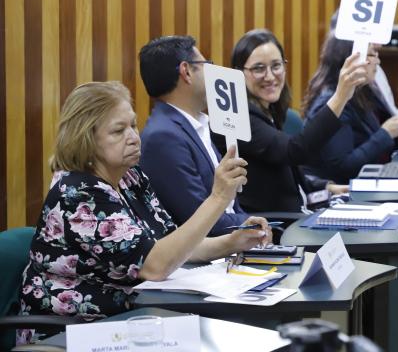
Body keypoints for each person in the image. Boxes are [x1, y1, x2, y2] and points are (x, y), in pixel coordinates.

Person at [17, 82, 270, 343]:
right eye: (118, 131)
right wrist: (218, 198)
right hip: (70, 334)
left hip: (129, 322)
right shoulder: (77, 193)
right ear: (86, 140)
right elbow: (156, 265)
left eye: (133, 125)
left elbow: (173, 245)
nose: (133, 137)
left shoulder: (130, 177)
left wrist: (231, 242)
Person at [211, 29, 365, 212]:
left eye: (276, 66)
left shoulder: (269, 109)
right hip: (271, 227)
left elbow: (283, 172)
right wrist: (340, 97)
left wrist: (326, 187)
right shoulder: (237, 118)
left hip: (298, 214)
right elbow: (295, 150)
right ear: (238, 73)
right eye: (259, 68)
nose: (269, 76)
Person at [138, 35, 265, 236]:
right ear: (186, 71)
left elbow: (230, 205)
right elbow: (200, 220)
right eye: (206, 64)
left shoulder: (194, 124)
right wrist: (253, 224)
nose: (212, 72)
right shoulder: (164, 137)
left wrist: (250, 223)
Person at [303, 36, 398, 184]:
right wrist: (385, 134)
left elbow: (369, 148)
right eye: (371, 54)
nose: (377, 61)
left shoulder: (361, 93)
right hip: (336, 193)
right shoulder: (332, 103)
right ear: (350, 59)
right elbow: (343, 168)